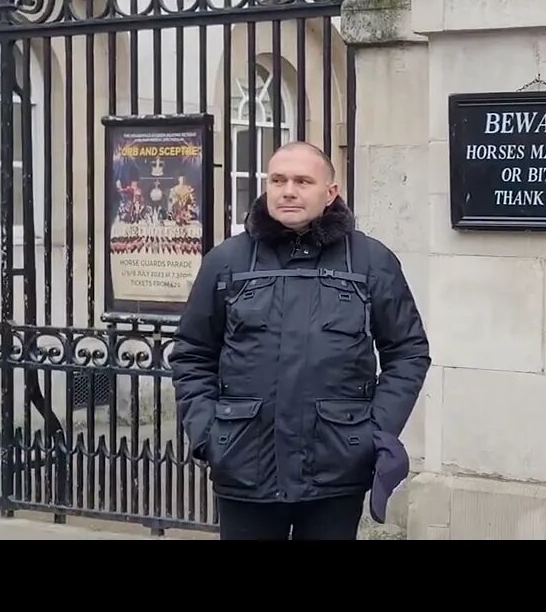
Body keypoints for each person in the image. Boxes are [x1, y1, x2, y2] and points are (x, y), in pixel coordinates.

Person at [170, 141, 430, 540]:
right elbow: (193, 354)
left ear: (330, 192)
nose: (288, 190)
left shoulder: (370, 262)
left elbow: (408, 351)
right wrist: (208, 434)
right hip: (244, 465)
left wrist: (373, 432)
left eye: (302, 181)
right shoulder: (226, 262)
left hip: (336, 469)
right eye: (278, 180)